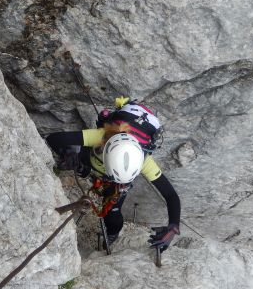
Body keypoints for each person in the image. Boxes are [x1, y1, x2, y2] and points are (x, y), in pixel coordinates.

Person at [45, 98, 181, 251]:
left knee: (112, 214)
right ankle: (86, 169)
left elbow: (171, 195)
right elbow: (53, 139)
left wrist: (173, 226)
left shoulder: (143, 160)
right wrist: (68, 153)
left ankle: (112, 233)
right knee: (82, 157)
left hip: (118, 183)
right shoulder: (101, 136)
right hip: (91, 160)